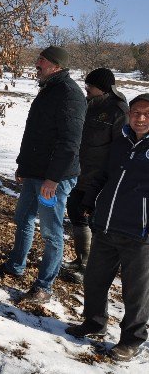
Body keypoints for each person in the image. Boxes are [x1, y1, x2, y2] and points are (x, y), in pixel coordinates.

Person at [0, 46, 86, 304]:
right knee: (23, 218)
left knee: (50, 232)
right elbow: (34, 134)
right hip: (36, 173)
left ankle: (44, 287)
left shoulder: (70, 95)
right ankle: (16, 265)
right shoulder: (49, 90)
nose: (37, 64)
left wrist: (53, 179)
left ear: (55, 65)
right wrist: (24, 166)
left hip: (53, 179)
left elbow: (70, 143)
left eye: (41, 61)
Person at [65, 93, 149, 362]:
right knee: (95, 280)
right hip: (107, 225)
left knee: (136, 292)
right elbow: (104, 173)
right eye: (135, 112)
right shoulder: (121, 141)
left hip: (140, 234)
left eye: (147, 113)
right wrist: (89, 200)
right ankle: (94, 322)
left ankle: (131, 340)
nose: (140, 118)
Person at [62, 68, 128, 283]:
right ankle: (82, 259)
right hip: (79, 173)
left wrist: (111, 180)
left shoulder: (119, 112)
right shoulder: (89, 105)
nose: (86, 88)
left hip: (100, 180)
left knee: (93, 222)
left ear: (103, 87)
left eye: (90, 85)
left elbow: (122, 149)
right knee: (75, 213)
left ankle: (90, 267)